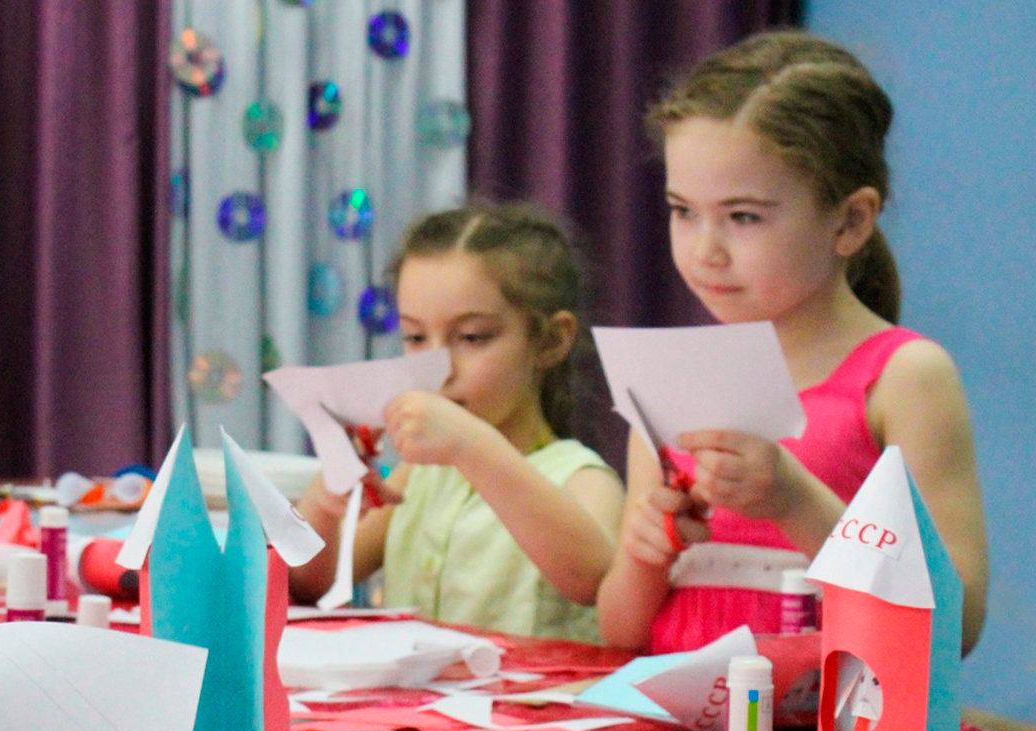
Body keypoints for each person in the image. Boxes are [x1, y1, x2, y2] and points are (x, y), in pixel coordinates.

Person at [596, 30, 989, 655]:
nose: (705, 250)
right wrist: (647, 556)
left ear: (850, 221)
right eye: (683, 210)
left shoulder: (906, 377)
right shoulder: (672, 375)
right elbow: (620, 632)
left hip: (833, 716)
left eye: (743, 216)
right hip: (674, 718)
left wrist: (794, 499)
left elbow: (953, 628)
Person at [289, 202, 624, 642]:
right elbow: (312, 584)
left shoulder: (582, 477)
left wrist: (472, 446)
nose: (439, 368)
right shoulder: (418, 477)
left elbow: (593, 580)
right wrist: (326, 502)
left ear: (550, 341)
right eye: (415, 337)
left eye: (471, 337)